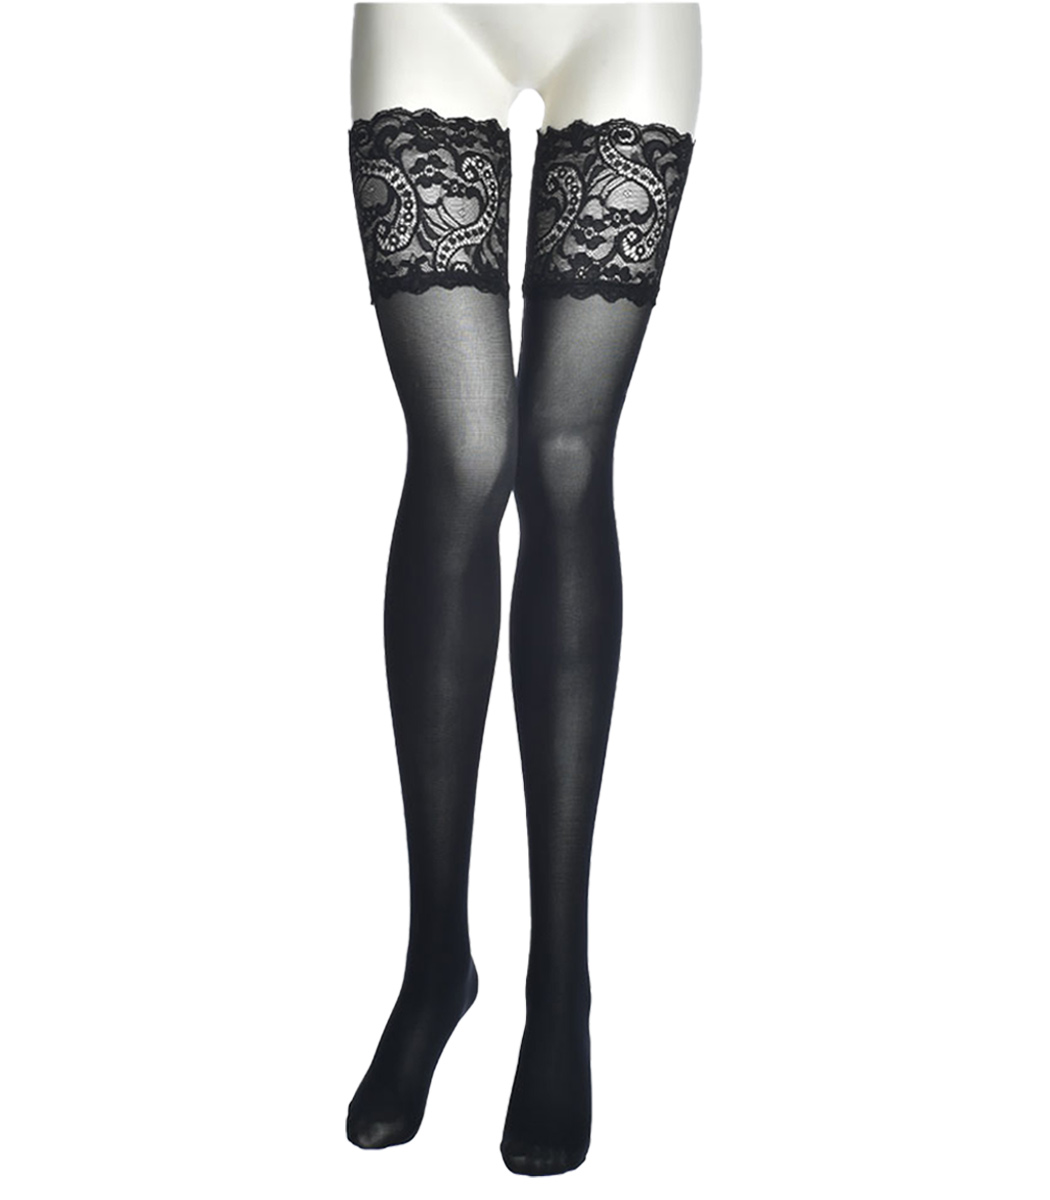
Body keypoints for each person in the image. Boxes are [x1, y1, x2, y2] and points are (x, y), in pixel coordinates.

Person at [344, 1, 702, 1175]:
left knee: (564, 458)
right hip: (431, 17)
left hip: (623, 21)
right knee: (461, 456)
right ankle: (436, 962)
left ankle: (560, 982)